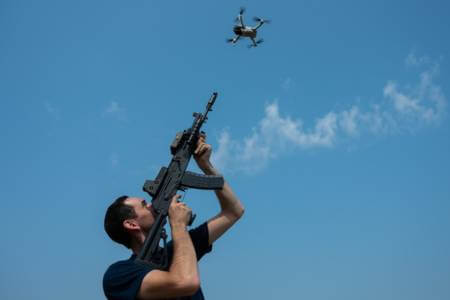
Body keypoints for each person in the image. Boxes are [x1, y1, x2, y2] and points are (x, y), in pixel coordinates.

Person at [103, 135, 245, 300]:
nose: (150, 204)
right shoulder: (119, 275)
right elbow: (186, 282)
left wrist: (206, 166)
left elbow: (234, 211)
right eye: (143, 205)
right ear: (131, 224)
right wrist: (178, 225)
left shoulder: (178, 250)